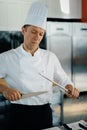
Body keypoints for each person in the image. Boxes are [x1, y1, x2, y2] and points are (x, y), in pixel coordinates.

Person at [0, 2, 79, 130]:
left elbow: (62, 79)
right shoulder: (6, 57)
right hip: (19, 113)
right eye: (33, 32)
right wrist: (5, 89)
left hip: (44, 112)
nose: (37, 37)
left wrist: (69, 87)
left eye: (41, 33)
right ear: (23, 30)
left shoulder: (50, 57)